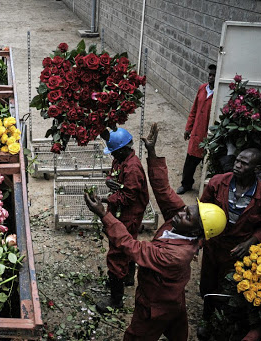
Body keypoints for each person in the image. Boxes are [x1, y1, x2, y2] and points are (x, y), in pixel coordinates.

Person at [85, 123, 227, 341]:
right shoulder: (182, 222)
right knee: (178, 330)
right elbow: (162, 190)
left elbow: (131, 247)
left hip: (156, 303)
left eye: (187, 215)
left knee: (138, 335)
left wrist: (104, 214)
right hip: (172, 297)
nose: (180, 213)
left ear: (198, 231)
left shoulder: (175, 255)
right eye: (186, 209)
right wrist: (152, 152)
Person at [198, 148, 261, 338]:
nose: (237, 165)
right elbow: (202, 211)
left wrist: (250, 242)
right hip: (213, 244)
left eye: (244, 163)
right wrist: (199, 240)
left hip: (238, 250)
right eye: (237, 161)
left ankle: (223, 323)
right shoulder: (218, 182)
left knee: (230, 287)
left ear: (256, 169)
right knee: (207, 283)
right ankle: (206, 318)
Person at [96, 128, 149, 313]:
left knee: (118, 250)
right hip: (124, 211)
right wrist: (109, 181)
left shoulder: (133, 168)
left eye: (114, 152)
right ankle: (126, 277)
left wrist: (104, 201)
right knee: (129, 244)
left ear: (123, 149)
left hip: (129, 214)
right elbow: (114, 176)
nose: (112, 156)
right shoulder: (121, 160)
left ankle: (116, 299)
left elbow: (127, 197)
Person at [177, 64, 217, 194]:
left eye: (214, 76)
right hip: (196, 133)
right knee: (190, 162)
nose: (210, 77)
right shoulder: (202, 89)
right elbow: (194, 110)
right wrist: (188, 129)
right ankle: (186, 184)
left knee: (207, 164)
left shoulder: (218, 95)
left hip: (209, 136)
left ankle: (207, 190)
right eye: (210, 75)